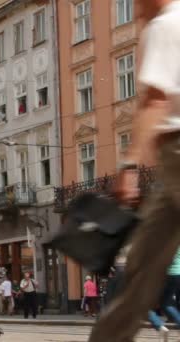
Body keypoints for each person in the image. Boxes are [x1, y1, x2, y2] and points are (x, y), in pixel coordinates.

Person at [89, 1, 180, 340]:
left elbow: (154, 101)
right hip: (169, 163)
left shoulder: (167, 25)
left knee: (140, 275)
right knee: (140, 269)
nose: (136, 10)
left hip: (176, 151)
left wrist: (128, 166)